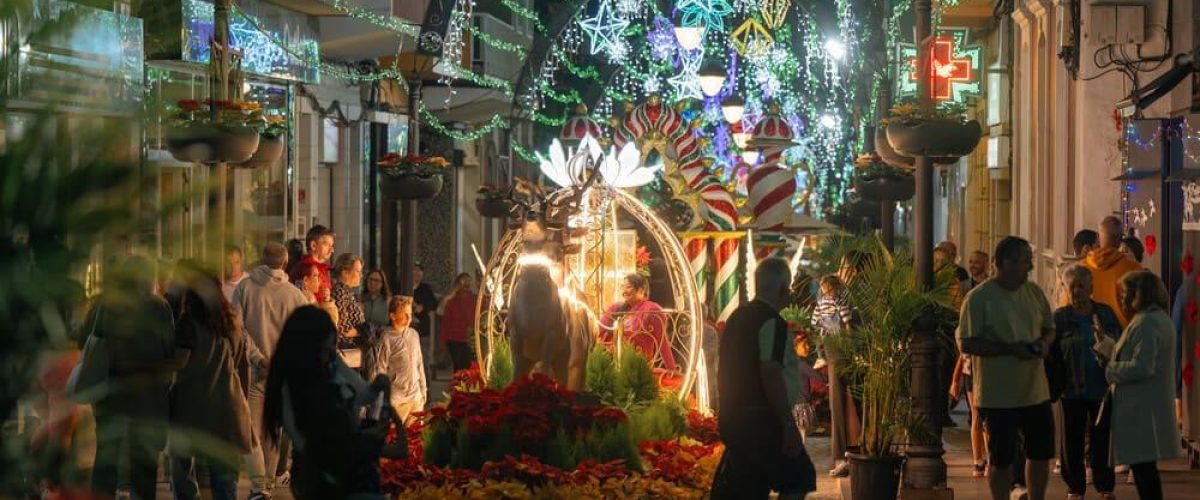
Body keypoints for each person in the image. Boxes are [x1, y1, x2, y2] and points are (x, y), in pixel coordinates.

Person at [262, 306, 401, 499]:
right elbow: (296, 433)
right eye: (324, 349)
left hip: (344, 464)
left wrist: (379, 386)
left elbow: (363, 394)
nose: (329, 355)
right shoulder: (290, 379)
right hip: (316, 474)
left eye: (330, 348)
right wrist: (341, 451)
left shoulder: (332, 362)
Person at [957, 236, 1056, 500]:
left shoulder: (1033, 293)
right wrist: (1010, 349)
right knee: (1001, 457)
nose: (1030, 268)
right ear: (1004, 263)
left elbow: (1049, 328)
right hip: (998, 392)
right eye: (1025, 262)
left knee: (1040, 451)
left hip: (1035, 389)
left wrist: (1044, 344)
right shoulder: (979, 298)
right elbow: (967, 342)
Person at [713, 257, 816, 499]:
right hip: (763, 420)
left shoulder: (738, 316)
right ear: (782, 289)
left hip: (734, 416)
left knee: (749, 487)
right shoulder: (772, 322)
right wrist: (788, 425)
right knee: (799, 476)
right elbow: (770, 373)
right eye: (788, 288)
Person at [86, 257, 176, 500]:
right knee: (144, 467)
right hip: (148, 397)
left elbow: (88, 342)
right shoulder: (160, 307)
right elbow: (170, 348)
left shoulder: (106, 304)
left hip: (111, 394)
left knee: (106, 460)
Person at [1093, 271, 1181, 500]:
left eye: (1126, 294)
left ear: (1138, 295)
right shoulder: (1153, 319)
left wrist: (1109, 370)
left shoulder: (1147, 323)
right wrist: (1107, 346)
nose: (1122, 299)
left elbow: (1143, 366)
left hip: (1141, 408)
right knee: (1144, 470)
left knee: (1145, 472)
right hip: (1145, 407)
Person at [167, 264, 253, 500]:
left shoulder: (188, 322)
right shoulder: (232, 320)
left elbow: (180, 361)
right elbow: (241, 361)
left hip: (192, 400)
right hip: (227, 400)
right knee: (224, 468)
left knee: (182, 465)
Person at [232, 243, 310, 498]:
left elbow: (238, 330)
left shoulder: (245, 288)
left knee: (252, 430)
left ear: (260, 260)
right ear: (285, 263)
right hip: (283, 373)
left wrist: (257, 358)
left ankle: (258, 485)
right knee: (273, 430)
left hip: (256, 372)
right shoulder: (295, 296)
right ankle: (268, 480)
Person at [1051, 265, 1120, 499]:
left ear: (1091, 288)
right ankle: (1075, 487)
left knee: (1102, 438)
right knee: (1072, 441)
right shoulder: (1060, 318)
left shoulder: (1106, 314)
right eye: (1072, 287)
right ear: (1066, 289)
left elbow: (1119, 346)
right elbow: (1051, 351)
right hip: (1071, 389)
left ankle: (1104, 485)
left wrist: (1104, 338)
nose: (1077, 291)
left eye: (1082, 286)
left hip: (1101, 387)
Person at [599, 273, 676, 371]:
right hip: (610, 365)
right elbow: (599, 330)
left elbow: (663, 343)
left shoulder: (652, 310)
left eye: (628, 287)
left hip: (638, 369)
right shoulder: (616, 308)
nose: (624, 291)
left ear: (641, 290)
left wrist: (672, 371)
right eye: (623, 287)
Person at [1083, 217, 1143, 327]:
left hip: (1088, 333)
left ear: (1097, 236)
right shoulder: (1134, 269)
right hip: (1123, 336)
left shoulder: (1081, 268)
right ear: (1121, 239)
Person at [379, 296, 427, 424]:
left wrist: (423, 389)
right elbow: (381, 367)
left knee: (415, 434)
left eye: (410, 314)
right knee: (395, 435)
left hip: (415, 394)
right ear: (393, 316)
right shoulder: (387, 338)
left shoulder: (414, 335)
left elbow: (419, 363)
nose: (409, 318)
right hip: (397, 397)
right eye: (404, 314)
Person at [949, 353, 988, 478]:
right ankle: (987, 461)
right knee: (985, 417)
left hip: (972, 371)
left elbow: (962, 354)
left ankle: (979, 462)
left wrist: (955, 380)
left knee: (978, 415)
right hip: (982, 371)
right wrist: (955, 380)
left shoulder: (968, 334)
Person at [331, 253, 369, 371]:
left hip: (352, 354)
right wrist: (366, 331)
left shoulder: (348, 292)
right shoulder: (340, 292)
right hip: (346, 354)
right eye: (358, 271)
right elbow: (343, 328)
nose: (361, 275)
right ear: (345, 272)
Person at [439, 272, 480, 373]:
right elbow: (445, 323)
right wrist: (443, 344)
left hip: (471, 339)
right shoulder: (451, 301)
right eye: (464, 282)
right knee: (459, 371)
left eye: (468, 281)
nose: (467, 284)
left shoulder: (476, 299)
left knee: (472, 370)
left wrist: (481, 285)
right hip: (455, 341)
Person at [289, 225, 335, 304]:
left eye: (332, 246)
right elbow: (298, 296)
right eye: (327, 245)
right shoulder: (303, 268)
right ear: (313, 245)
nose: (332, 250)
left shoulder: (323, 268)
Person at [295, 260, 339, 325]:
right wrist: (327, 303)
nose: (320, 280)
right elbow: (330, 327)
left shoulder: (297, 296)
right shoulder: (308, 302)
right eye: (316, 276)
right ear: (306, 280)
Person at [411, 264, 438, 339]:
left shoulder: (426, 289)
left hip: (421, 327)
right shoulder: (403, 286)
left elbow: (434, 304)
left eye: (419, 270)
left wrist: (423, 306)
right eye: (415, 269)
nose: (417, 272)